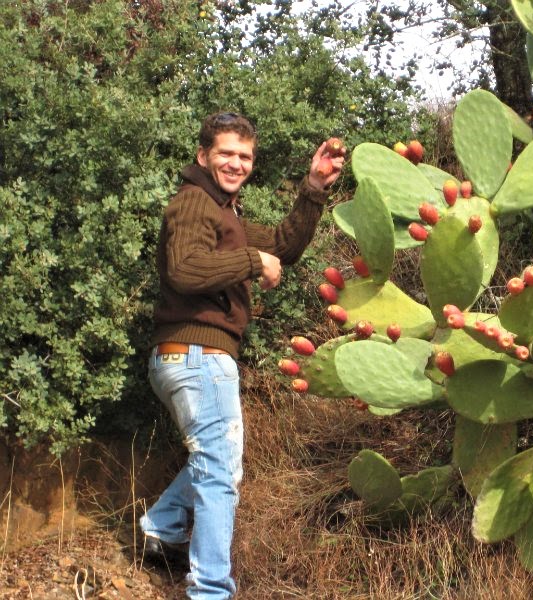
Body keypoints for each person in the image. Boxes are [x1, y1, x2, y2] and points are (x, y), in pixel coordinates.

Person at [138, 111, 344, 599]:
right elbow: (184, 270)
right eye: (226, 153)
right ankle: (210, 590)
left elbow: (282, 246)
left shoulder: (222, 212)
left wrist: (314, 187)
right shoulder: (192, 203)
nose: (236, 163)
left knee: (219, 464)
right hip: (197, 354)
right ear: (203, 156)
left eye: (245, 156)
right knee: (220, 472)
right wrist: (252, 263)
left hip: (191, 356)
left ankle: (162, 526)